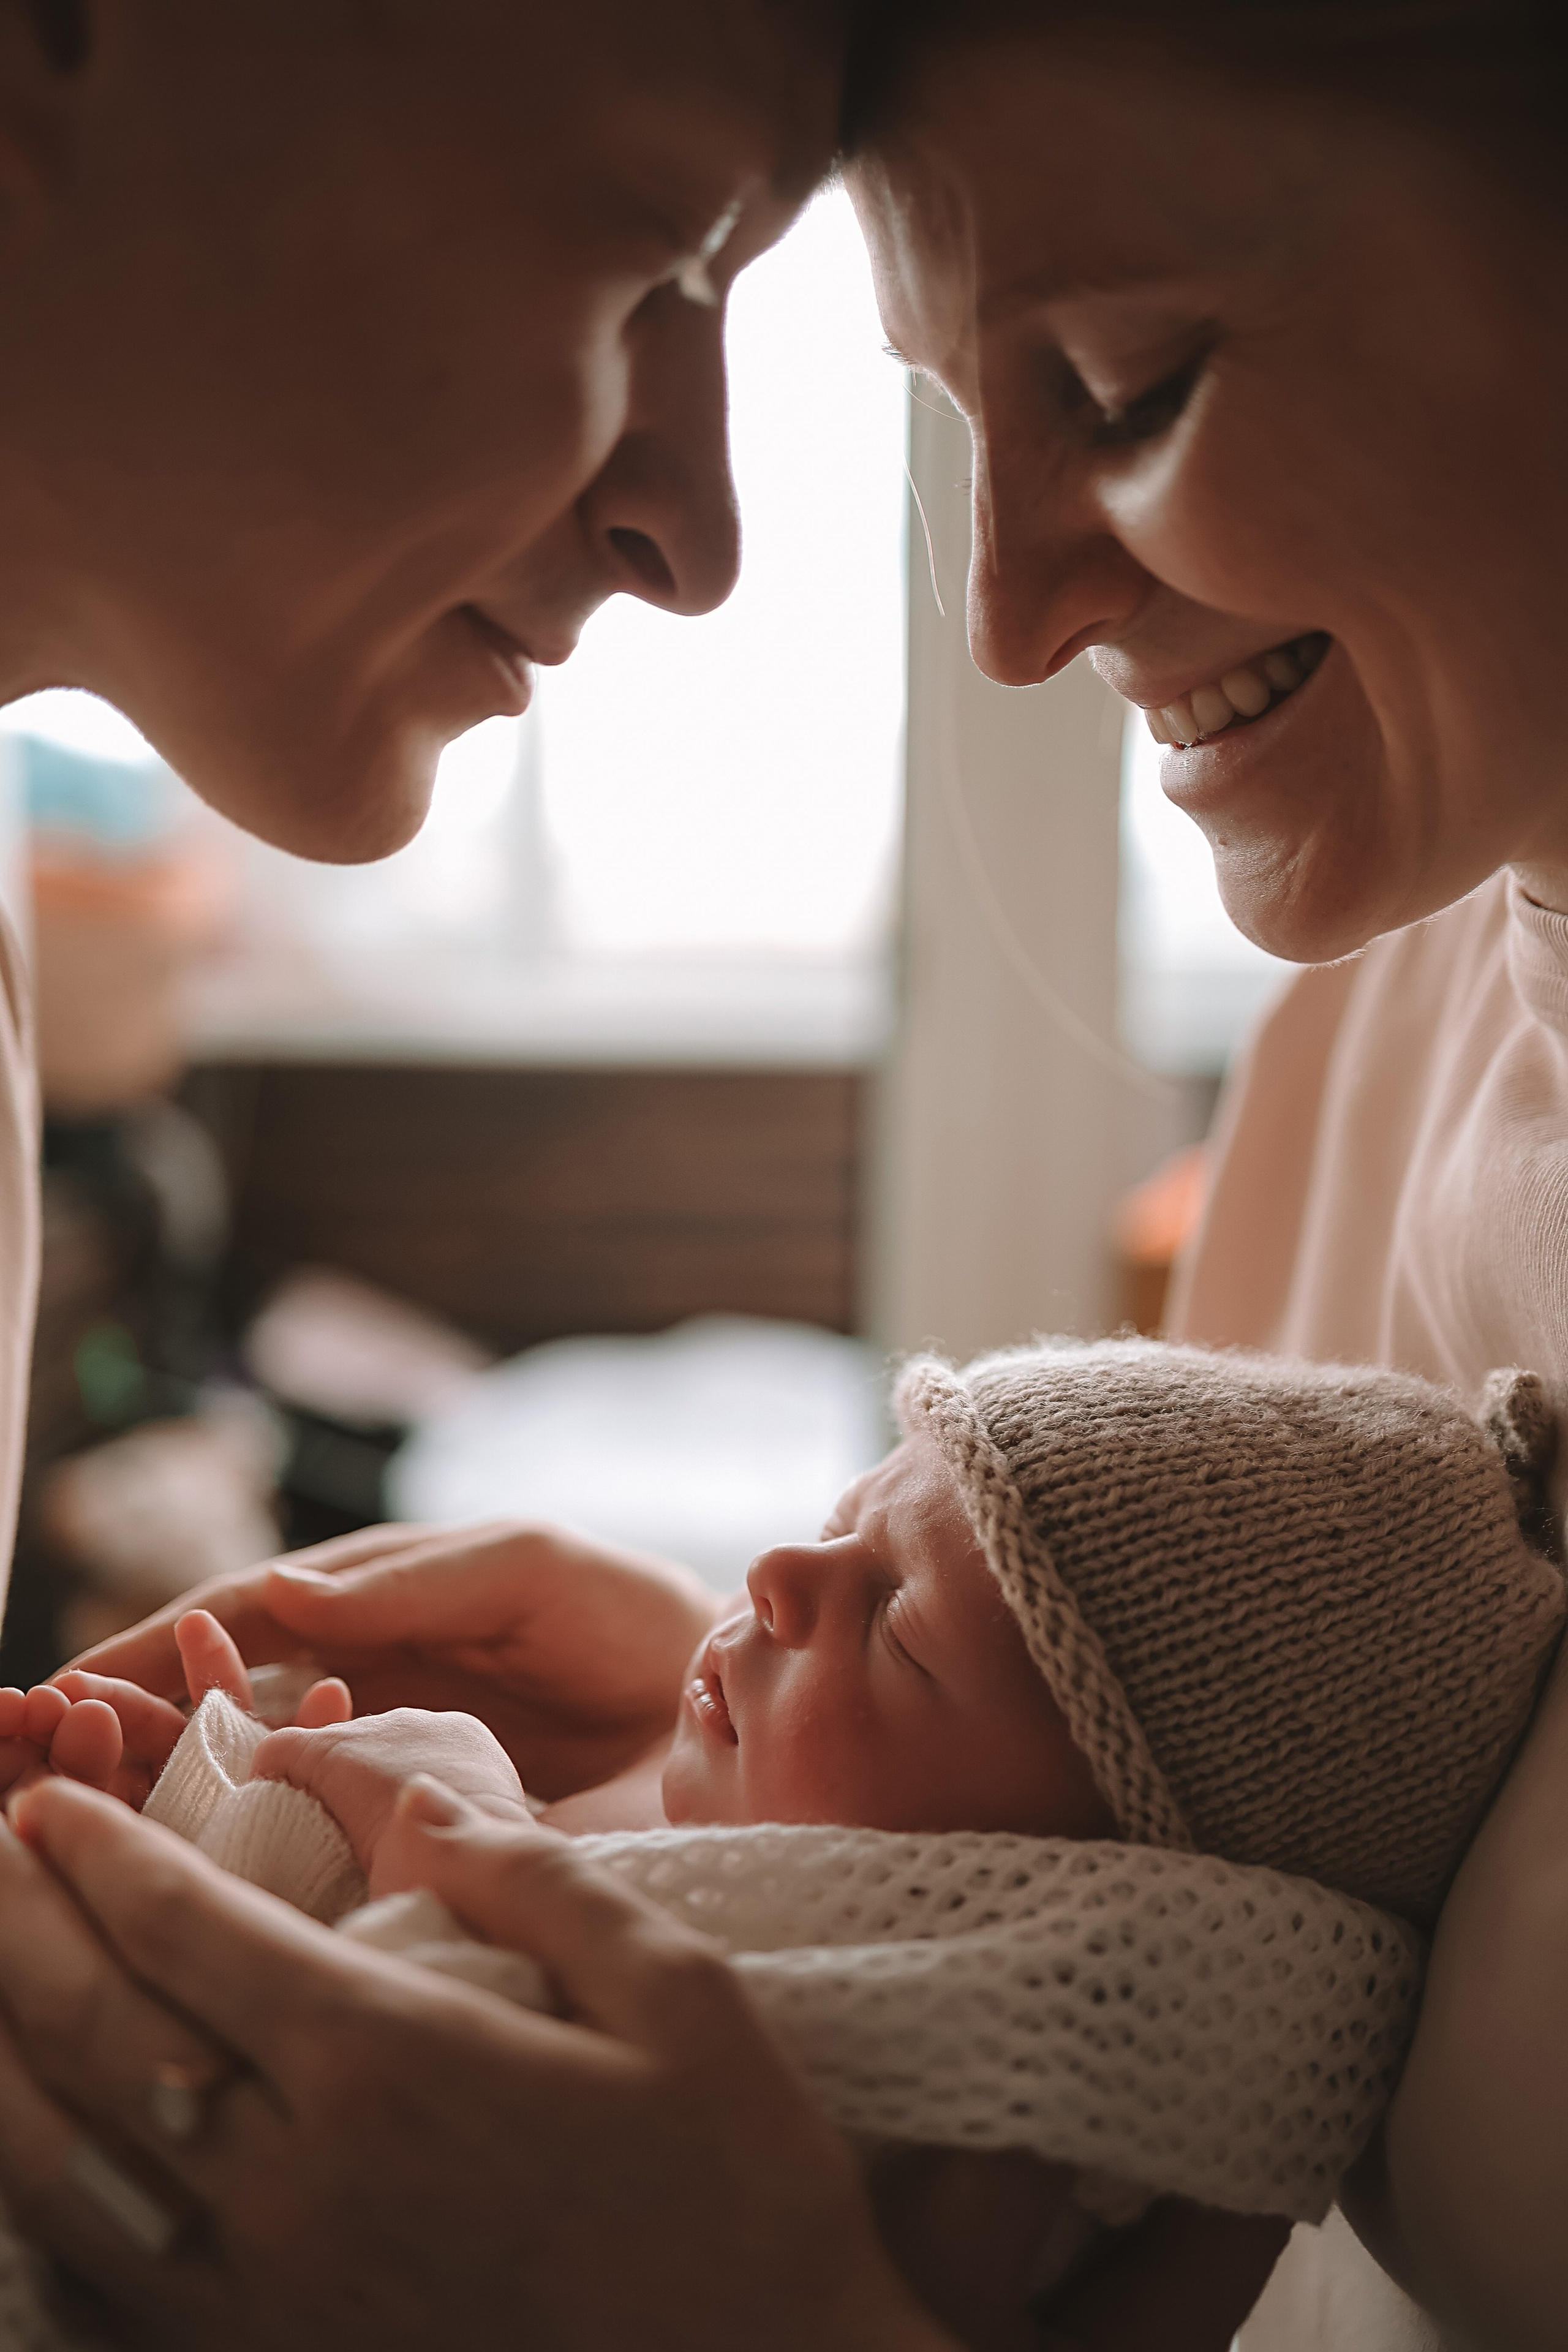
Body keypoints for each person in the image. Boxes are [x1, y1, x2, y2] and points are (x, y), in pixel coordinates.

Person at [6, 0, 1568, 2344]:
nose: (1014, 626)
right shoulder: (1401, 993)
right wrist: (734, 1812)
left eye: (1135, 381)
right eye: (641, 265)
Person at [21, 1337, 1561, 2348]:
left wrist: (445, 1806)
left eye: (896, 1625)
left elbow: (459, 2047)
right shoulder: (797, 1872)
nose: (770, 1571)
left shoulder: (976, 2077)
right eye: (841, 1520)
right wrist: (209, 1813)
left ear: (1085, 1883)